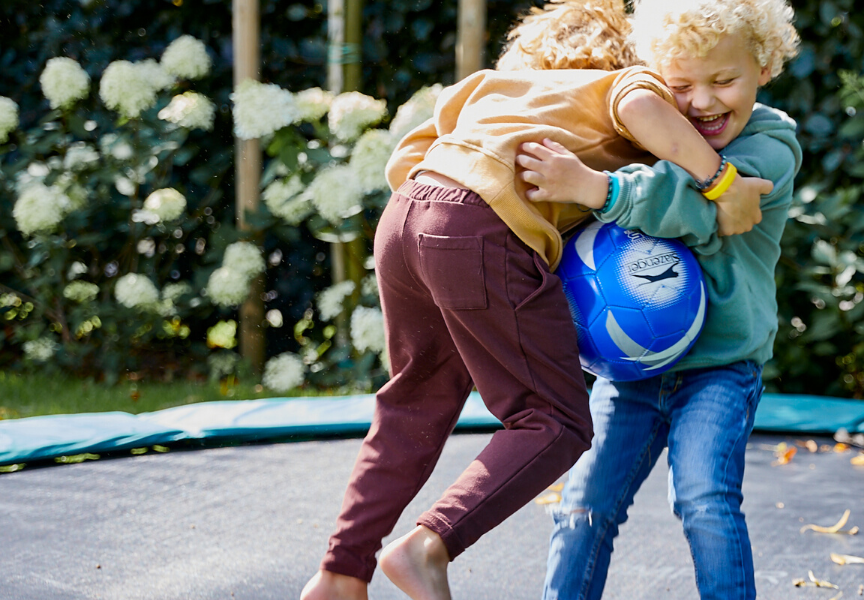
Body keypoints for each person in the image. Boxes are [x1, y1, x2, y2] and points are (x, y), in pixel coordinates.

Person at [299, 1, 773, 599]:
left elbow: (406, 157)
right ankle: (429, 544)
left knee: (413, 402)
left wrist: (439, 236)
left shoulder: (489, 88)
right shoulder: (615, 85)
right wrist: (719, 180)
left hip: (406, 218)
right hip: (481, 225)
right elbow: (644, 108)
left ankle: (341, 571)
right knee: (554, 419)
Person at [518, 0, 802, 598]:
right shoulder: (652, 138)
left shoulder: (772, 147)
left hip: (720, 369)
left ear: (765, 66)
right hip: (628, 369)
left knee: (704, 501)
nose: (702, 102)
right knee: (583, 505)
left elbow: (696, 209)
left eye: (725, 80)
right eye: (680, 85)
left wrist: (595, 188)